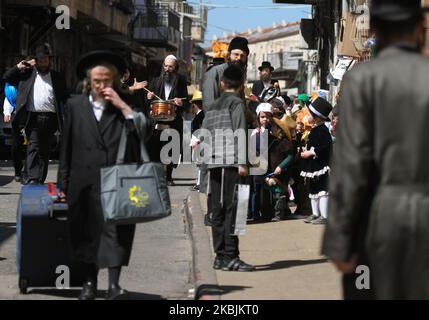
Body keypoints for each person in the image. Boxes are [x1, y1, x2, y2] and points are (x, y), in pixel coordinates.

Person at [322, 0, 429, 300]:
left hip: (377, 222)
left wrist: (339, 241)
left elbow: (350, 165)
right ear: (419, 28)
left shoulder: (362, 80)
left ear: (376, 30)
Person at [58, 50, 152, 300]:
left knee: (116, 233)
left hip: (117, 180)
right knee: (85, 232)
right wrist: (63, 182)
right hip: (83, 179)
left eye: (107, 81)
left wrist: (122, 106)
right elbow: (65, 147)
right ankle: (89, 283)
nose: (102, 86)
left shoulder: (125, 104)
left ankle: (114, 285)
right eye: (97, 81)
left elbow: (145, 131)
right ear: (89, 81)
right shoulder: (75, 105)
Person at [199, 65, 255, 272]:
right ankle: (231, 256)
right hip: (231, 163)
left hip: (214, 164)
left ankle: (220, 256)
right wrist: (242, 163)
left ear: (221, 84)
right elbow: (240, 131)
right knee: (235, 209)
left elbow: (204, 134)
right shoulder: (236, 104)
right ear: (241, 85)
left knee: (218, 210)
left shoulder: (212, 106)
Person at [3, 43, 68, 184]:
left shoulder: (56, 77)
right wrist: (19, 66)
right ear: (36, 61)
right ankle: (32, 178)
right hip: (33, 117)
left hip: (51, 118)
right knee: (33, 146)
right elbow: (6, 77)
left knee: (44, 151)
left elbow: (65, 97)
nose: (44, 63)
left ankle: (40, 177)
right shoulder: (27, 75)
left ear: (49, 61)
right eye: (41, 60)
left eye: (46, 60)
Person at [146, 55, 188, 186]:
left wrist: (181, 103)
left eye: (170, 66)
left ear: (176, 67)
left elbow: (186, 102)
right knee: (156, 149)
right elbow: (147, 102)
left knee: (171, 149)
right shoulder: (155, 81)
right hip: (156, 121)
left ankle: (169, 177)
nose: (167, 69)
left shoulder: (181, 81)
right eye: (165, 66)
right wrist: (148, 97)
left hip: (173, 121)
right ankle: (157, 177)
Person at [300, 97, 333, 225]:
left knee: (322, 189)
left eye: (311, 114)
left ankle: (324, 215)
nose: (309, 116)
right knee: (313, 190)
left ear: (318, 117)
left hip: (321, 165)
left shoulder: (323, 130)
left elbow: (326, 147)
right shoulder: (314, 129)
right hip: (313, 165)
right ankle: (315, 213)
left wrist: (312, 152)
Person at [3, 82, 25, 182]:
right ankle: (18, 171)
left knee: (33, 146)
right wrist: (7, 113)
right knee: (16, 147)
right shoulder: (12, 85)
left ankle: (28, 171)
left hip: (30, 116)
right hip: (17, 118)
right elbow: (8, 99)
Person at [190, 90, 205, 191]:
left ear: (194, 104)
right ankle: (199, 183)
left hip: (200, 143)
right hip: (199, 142)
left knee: (201, 165)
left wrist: (197, 141)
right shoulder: (201, 115)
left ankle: (200, 183)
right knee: (200, 165)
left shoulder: (201, 115)